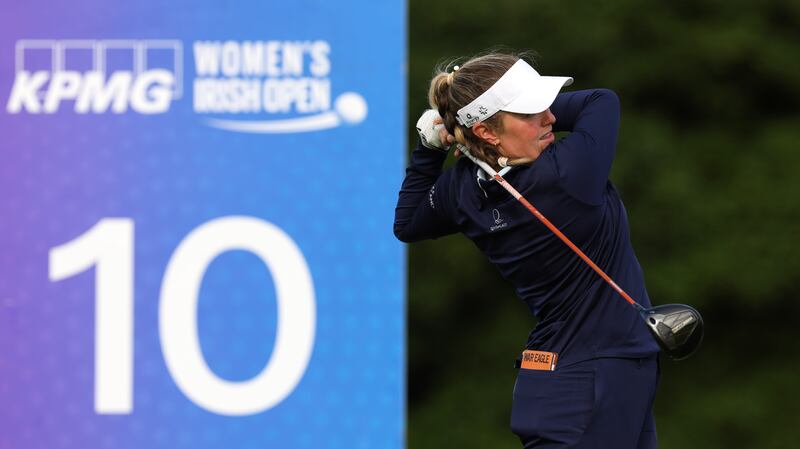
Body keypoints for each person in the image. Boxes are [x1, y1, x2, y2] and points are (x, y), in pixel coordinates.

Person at [394, 51, 662, 448]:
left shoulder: (461, 191)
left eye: (546, 106)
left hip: (573, 377)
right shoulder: (569, 173)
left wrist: (431, 147)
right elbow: (600, 100)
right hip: (593, 381)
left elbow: (408, 222)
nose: (551, 117)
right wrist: (457, 123)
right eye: (530, 112)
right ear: (486, 132)